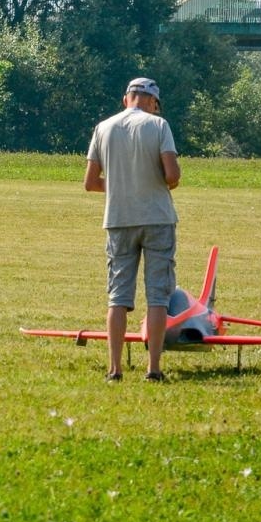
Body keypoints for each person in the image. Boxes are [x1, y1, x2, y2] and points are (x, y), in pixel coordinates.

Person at [85, 76, 181, 382]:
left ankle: (115, 369)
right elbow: (172, 176)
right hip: (157, 218)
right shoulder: (159, 125)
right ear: (152, 102)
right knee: (158, 295)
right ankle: (153, 369)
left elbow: (90, 182)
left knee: (118, 296)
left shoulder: (103, 127)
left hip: (118, 219)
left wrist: (121, 186)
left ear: (126, 98)